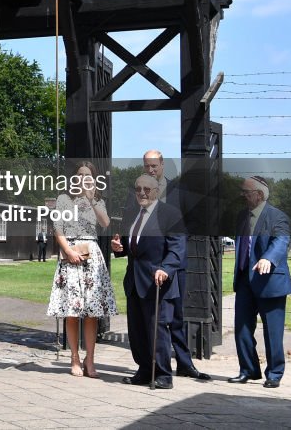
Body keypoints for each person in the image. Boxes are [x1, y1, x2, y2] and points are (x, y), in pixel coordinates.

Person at [111, 175, 186, 389]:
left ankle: (163, 375)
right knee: (137, 331)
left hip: (157, 283)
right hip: (135, 282)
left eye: (147, 189)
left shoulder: (170, 214)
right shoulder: (132, 213)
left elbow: (177, 247)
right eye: (138, 189)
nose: (142, 193)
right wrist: (119, 247)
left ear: (157, 191)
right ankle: (144, 370)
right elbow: (130, 245)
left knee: (157, 331)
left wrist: (166, 268)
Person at [46, 161, 117, 378]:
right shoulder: (63, 199)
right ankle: (74, 357)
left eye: (88, 175)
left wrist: (90, 198)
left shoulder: (97, 200)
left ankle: (91, 360)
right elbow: (57, 228)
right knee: (72, 311)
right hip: (70, 253)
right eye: (80, 174)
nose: (84, 178)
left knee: (91, 312)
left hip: (91, 255)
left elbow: (105, 223)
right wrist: (68, 251)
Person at [142, 150, 209, 381]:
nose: (150, 170)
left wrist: (173, 252)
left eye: (154, 165)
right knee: (152, 317)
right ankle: (151, 365)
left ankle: (184, 363)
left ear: (162, 165)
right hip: (149, 263)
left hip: (174, 260)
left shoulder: (177, 192)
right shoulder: (141, 191)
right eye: (146, 166)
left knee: (176, 315)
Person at [229, 176, 291, 389]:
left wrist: (268, 258)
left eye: (246, 192)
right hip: (245, 282)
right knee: (242, 329)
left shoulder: (277, 217)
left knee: (272, 332)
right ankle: (248, 370)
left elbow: (281, 240)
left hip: (270, 283)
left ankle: (274, 373)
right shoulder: (241, 217)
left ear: (259, 194)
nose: (243, 195)